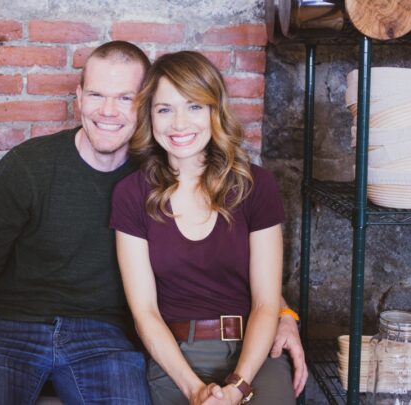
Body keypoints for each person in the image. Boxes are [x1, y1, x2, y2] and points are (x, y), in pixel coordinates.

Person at [0, 41, 306, 405]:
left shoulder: (160, 173)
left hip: (101, 334)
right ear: (77, 98)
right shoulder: (32, 168)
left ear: (142, 105)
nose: (108, 111)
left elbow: (232, 257)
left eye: (124, 98)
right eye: (96, 95)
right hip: (13, 326)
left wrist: (282, 314)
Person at [110, 51, 295, 404]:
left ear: (215, 111)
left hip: (253, 350)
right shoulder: (131, 194)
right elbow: (145, 313)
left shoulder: (256, 186)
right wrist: (196, 390)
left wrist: (238, 386)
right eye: (165, 109)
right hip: (174, 356)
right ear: (150, 116)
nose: (179, 123)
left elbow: (266, 304)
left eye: (194, 106)